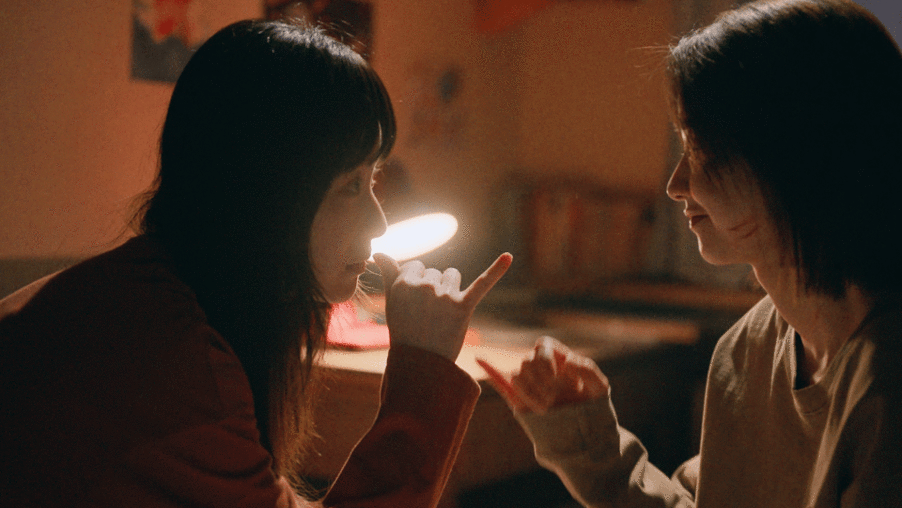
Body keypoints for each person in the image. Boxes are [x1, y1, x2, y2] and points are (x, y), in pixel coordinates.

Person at [0, 20, 511, 507]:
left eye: (372, 180)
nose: (378, 222)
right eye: (350, 185)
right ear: (267, 196)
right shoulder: (177, 367)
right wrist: (424, 370)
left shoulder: (136, 293)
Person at [479, 0, 902, 506]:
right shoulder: (747, 349)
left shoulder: (886, 385)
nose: (676, 185)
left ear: (793, 161)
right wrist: (586, 441)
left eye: (699, 150)